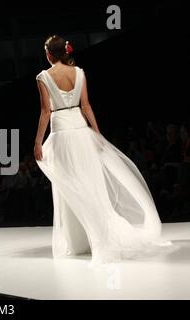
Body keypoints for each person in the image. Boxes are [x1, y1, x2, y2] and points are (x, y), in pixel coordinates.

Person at [33, 35, 174, 267]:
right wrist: (96, 134)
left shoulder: (43, 77)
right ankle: (98, 236)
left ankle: (80, 242)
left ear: (49, 54)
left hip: (61, 134)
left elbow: (46, 112)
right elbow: (86, 105)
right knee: (90, 182)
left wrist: (38, 141)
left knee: (70, 185)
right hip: (81, 130)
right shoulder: (79, 73)